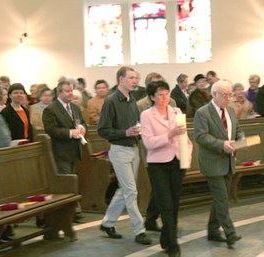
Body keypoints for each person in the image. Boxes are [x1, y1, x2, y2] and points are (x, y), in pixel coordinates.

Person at [97, 66, 152, 245]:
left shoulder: (132, 100)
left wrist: (139, 131)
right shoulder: (111, 101)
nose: (135, 81)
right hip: (119, 149)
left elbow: (135, 125)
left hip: (133, 149)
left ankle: (107, 223)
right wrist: (125, 133)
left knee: (124, 190)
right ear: (121, 79)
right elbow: (103, 130)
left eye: (136, 78)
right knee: (131, 191)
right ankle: (139, 230)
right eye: (131, 78)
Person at [141, 81, 192, 257]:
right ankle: (173, 245)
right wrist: (169, 135)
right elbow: (148, 142)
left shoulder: (176, 112)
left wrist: (187, 157)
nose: (164, 98)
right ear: (152, 97)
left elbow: (185, 138)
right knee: (165, 204)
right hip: (158, 165)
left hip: (177, 162)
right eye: (160, 95)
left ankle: (167, 237)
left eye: (167, 94)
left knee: (175, 203)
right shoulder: (147, 115)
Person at [194, 80, 244, 248]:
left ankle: (213, 230)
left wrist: (241, 139)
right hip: (212, 162)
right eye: (224, 95)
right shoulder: (203, 113)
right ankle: (230, 232)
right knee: (222, 199)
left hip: (228, 161)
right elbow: (201, 137)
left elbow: (237, 129)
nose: (228, 98)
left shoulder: (230, 110)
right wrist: (221, 144)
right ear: (214, 94)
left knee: (220, 198)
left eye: (230, 95)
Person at [42, 80, 87, 175]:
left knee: (76, 181)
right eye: (67, 91)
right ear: (59, 92)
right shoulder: (50, 109)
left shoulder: (75, 107)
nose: (71, 93)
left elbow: (82, 122)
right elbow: (51, 130)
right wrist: (70, 133)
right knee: (67, 182)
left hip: (76, 151)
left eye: (71, 90)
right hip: (62, 153)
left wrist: (83, 128)